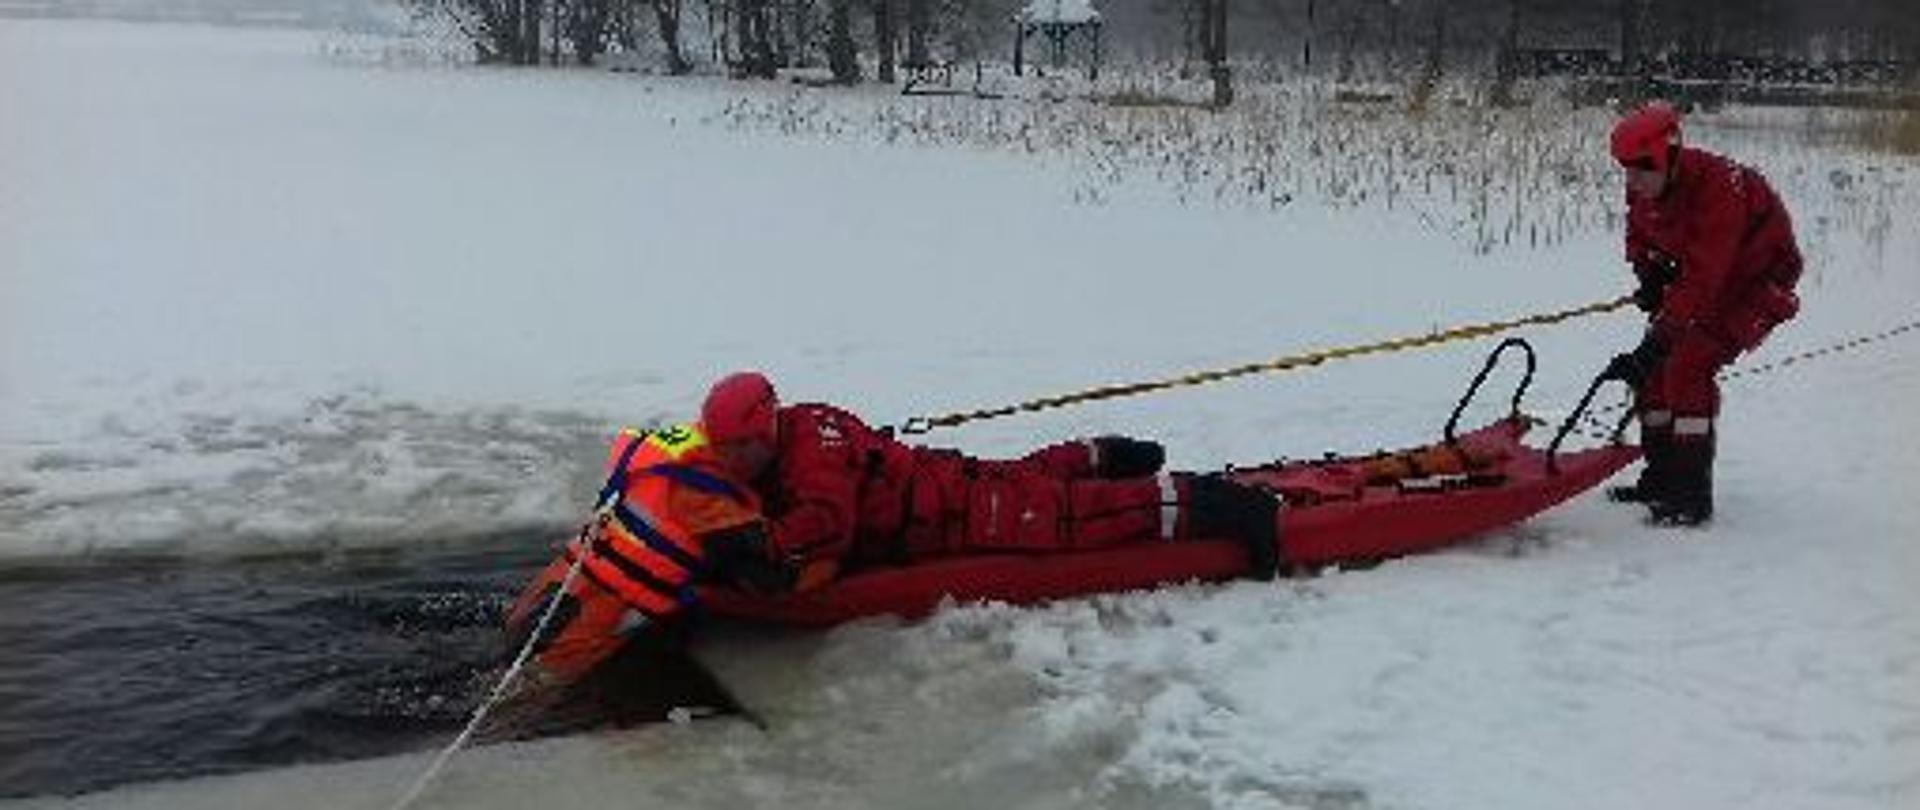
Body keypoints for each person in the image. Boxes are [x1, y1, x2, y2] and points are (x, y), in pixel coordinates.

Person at [693, 371, 1284, 591]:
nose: (730, 460)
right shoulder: (801, 421)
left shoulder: (810, 455)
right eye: (724, 450)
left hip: (948, 517)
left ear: (764, 431)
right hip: (941, 480)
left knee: (1074, 517)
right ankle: (1098, 455)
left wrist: (761, 544)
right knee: (1020, 479)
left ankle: (1228, 506)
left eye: (738, 449)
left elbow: (828, 523)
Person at [1602, 102, 1803, 526]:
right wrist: (1648, 272)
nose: (1632, 181)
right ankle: (1660, 479)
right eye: (1626, 170)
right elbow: (1639, 232)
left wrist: (1660, 337)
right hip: (1707, 280)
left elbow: (1705, 275)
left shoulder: (1720, 189)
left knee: (1686, 365)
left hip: (1756, 284)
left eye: (1641, 169)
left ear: (1670, 157)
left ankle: (1691, 495)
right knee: (1653, 374)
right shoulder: (1644, 183)